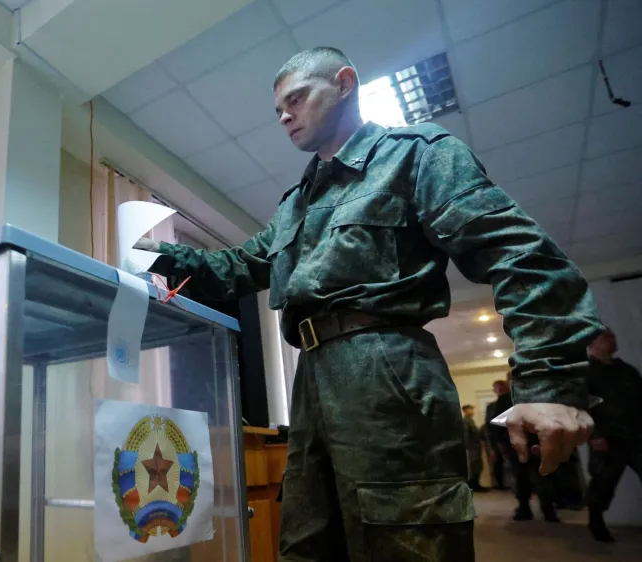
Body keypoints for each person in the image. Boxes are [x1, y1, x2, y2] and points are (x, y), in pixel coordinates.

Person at [136, 46, 602, 561]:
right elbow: (240, 266)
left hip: (388, 370)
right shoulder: (297, 202)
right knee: (307, 539)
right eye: (278, 110)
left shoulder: (417, 153)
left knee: (406, 535)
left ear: (345, 83)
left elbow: (519, 253)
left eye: (296, 99)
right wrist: (149, 256)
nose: (285, 116)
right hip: (312, 378)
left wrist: (550, 383)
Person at [585, 328, 642, 542]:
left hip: (635, 435)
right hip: (607, 439)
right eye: (605, 338)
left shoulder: (627, 371)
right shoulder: (585, 373)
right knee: (603, 483)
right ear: (592, 344)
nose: (612, 340)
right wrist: (595, 435)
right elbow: (581, 407)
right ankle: (596, 520)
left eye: (613, 337)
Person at [490, 372, 560, 522]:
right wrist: (501, 443)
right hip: (519, 445)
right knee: (525, 477)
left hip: (533, 444)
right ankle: (529, 508)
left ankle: (542, 509)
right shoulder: (508, 399)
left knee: (539, 476)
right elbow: (498, 425)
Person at [484, 380, 511, 490]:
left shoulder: (509, 401)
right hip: (497, 438)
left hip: (508, 437)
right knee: (498, 462)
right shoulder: (491, 406)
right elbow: (488, 426)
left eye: (495, 387)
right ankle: (500, 484)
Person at [461, 405, 488, 492]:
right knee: (474, 467)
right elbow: (466, 436)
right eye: (470, 409)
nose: (472, 411)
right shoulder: (466, 421)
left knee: (477, 466)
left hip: (475, 447)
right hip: (472, 447)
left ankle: (476, 485)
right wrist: (467, 447)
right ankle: (473, 486)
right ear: (465, 411)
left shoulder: (470, 420)